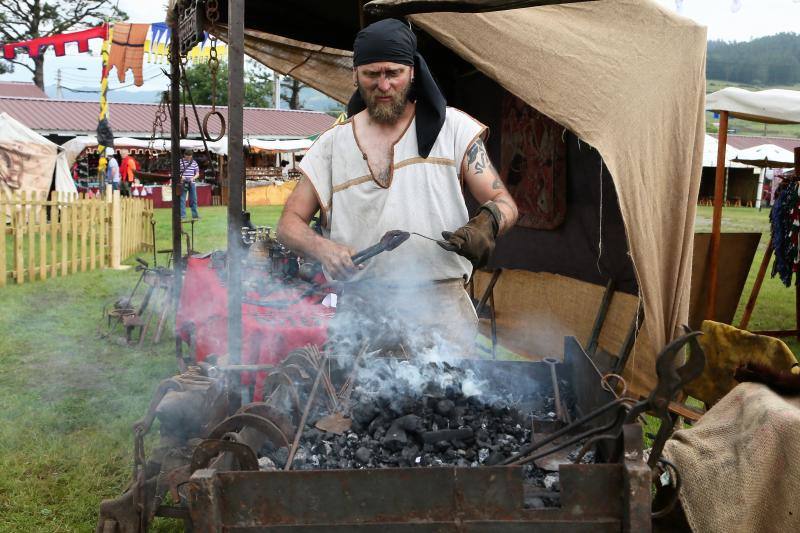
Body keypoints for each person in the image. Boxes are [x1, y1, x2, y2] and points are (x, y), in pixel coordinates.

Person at [277, 19, 518, 355]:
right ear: (355, 75)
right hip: (363, 311)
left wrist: (488, 222)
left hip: (441, 309)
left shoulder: (454, 129)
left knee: (449, 406)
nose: (384, 84)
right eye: (371, 75)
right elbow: (288, 223)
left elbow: (503, 201)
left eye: (393, 73)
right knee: (354, 404)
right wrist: (324, 250)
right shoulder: (331, 146)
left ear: (413, 71)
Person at [179, 149, 200, 219]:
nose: (188, 158)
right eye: (187, 157)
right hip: (183, 182)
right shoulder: (180, 162)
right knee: (182, 199)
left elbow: (197, 173)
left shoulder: (194, 162)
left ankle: (195, 215)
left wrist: (193, 178)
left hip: (192, 182)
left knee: (193, 199)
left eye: (190, 157)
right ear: (184, 155)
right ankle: (182, 216)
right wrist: (181, 177)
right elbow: (176, 172)